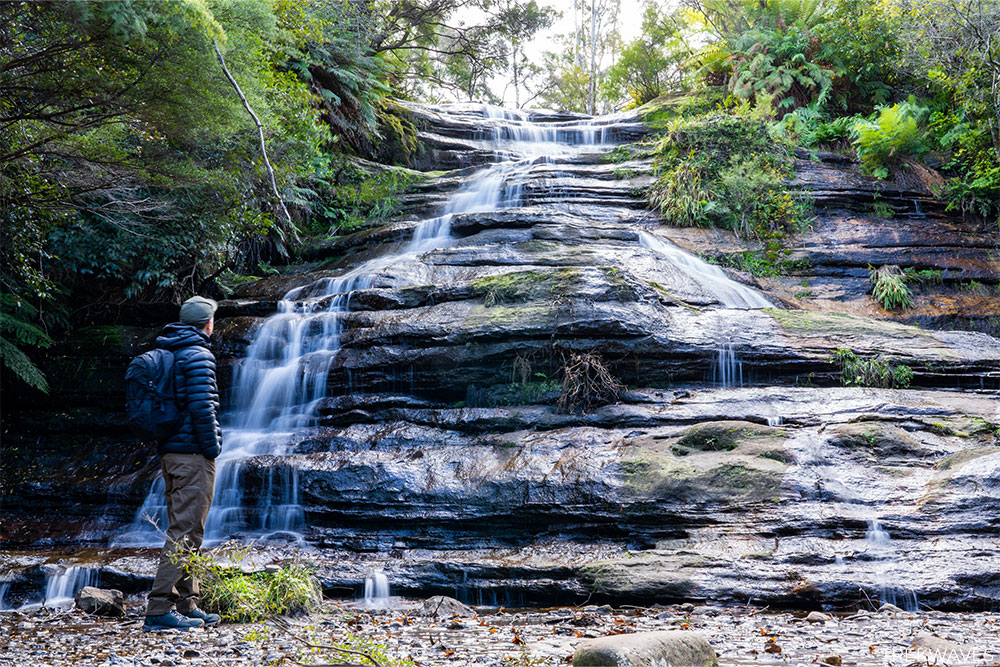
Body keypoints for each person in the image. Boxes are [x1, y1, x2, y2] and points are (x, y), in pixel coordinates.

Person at [142, 296, 224, 631]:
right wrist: (213, 448)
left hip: (171, 453)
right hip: (193, 455)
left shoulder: (171, 352)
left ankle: (187, 604)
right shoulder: (198, 356)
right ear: (208, 323)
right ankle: (159, 608)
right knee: (185, 532)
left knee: (189, 529)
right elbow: (204, 408)